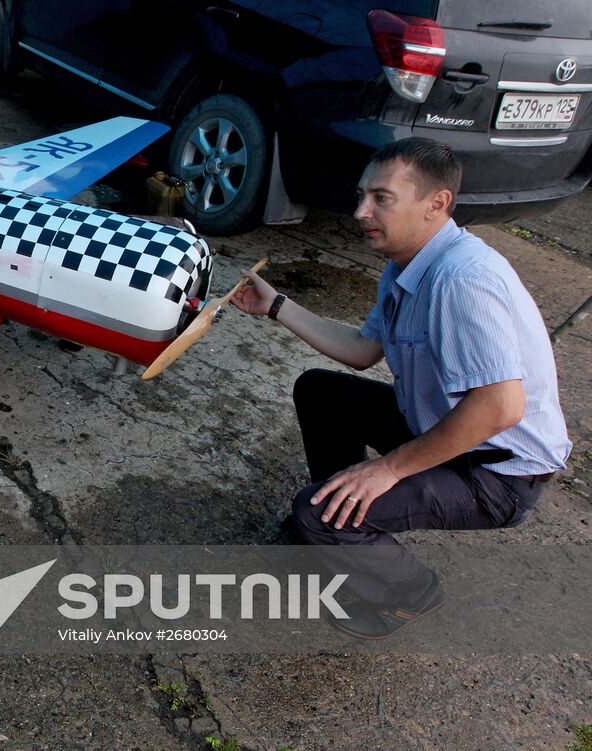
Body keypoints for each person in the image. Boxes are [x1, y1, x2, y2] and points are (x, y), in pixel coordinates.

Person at [231, 137, 571, 638]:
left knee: (316, 512)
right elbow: (364, 349)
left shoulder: (461, 279)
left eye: (381, 198)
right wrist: (277, 306)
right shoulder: (406, 265)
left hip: (498, 476)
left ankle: (407, 589)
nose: (360, 211)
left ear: (437, 204)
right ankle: (343, 524)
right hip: (448, 433)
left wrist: (387, 469)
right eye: (362, 195)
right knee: (321, 390)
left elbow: (501, 406)